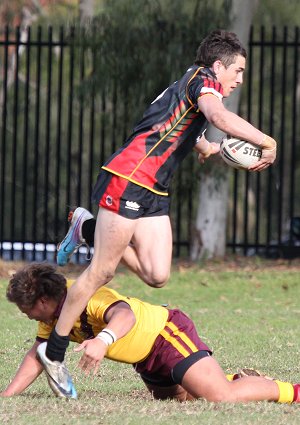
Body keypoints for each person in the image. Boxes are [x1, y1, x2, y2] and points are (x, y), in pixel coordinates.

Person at [42, 29, 278, 394]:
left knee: (157, 273)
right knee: (102, 270)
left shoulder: (190, 80)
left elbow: (167, 120)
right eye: (239, 71)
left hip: (154, 189)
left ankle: (86, 229)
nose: (240, 79)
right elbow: (218, 116)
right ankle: (54, 355)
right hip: (128, 178)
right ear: (219, 66)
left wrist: (202, 145)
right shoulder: (204, 83)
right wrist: (265, 140)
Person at [1, 263, 299, 405]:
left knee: (220, 398)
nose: (24, 314)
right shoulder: (53, 318)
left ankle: (293, 392)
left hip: (166, 336)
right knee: (183, 401)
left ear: (41, 301)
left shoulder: (86, 296)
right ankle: (239, 381)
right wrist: (7, 396)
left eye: (24, 308)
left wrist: (103, 340)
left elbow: (124, 315)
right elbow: (38, 357)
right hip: (146, 361)